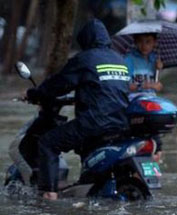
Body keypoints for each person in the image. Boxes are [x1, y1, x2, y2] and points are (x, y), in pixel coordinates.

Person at [25, 19, 130, 200]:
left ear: (85, 40)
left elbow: (58, 84)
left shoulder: (85, 58)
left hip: (94, 122)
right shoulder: (119, 59)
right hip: (120, 123)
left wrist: (35, 94)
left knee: (47, 143)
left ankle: (48, 195)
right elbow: (106, 90)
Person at [124, 33, 164, 162]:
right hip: (135, 104)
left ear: (154, 43)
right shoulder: (128, 60)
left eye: (148, 42)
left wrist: (159, 72)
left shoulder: (155, 60)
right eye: (141, 42)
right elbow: (125, 85)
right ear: (135, 42)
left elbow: (155, 84)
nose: (144, 46)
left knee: (157, 143)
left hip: (151, 104)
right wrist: (144, 86)